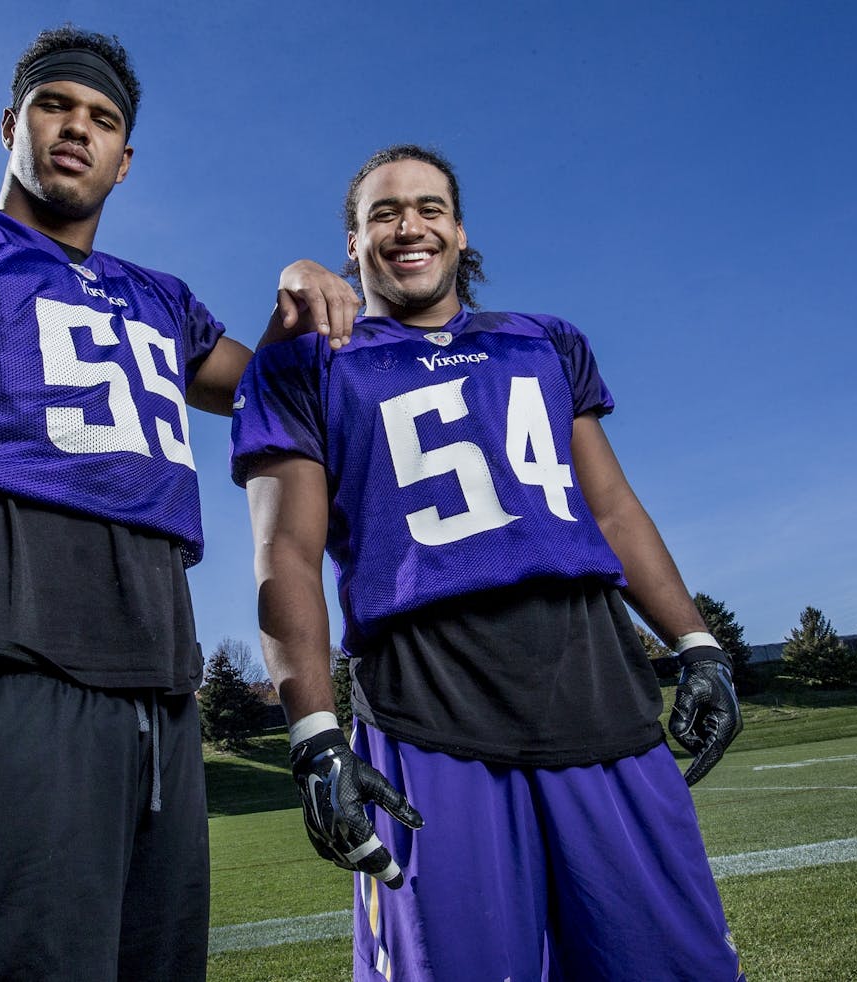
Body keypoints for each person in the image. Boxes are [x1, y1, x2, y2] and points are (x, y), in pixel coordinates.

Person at [0, 26, 356, 981]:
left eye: (102, 119)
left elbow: (268, 393)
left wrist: (299, 283)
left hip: (158, 691)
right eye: (56, 105)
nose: (75, 129)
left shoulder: (160, 300)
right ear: (12, 123)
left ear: (125, 160)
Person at [231, 144, 745, 981]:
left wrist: (697, 644)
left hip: (598, 686)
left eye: (430, 207)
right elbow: (284, 550)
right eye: (384, 213)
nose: (410, 225)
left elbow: (611, 508)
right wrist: (317, 737)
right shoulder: (307, 364)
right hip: (428, 703)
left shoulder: (544, 342)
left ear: (461, 232)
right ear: (352, 247)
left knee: (671, 966)